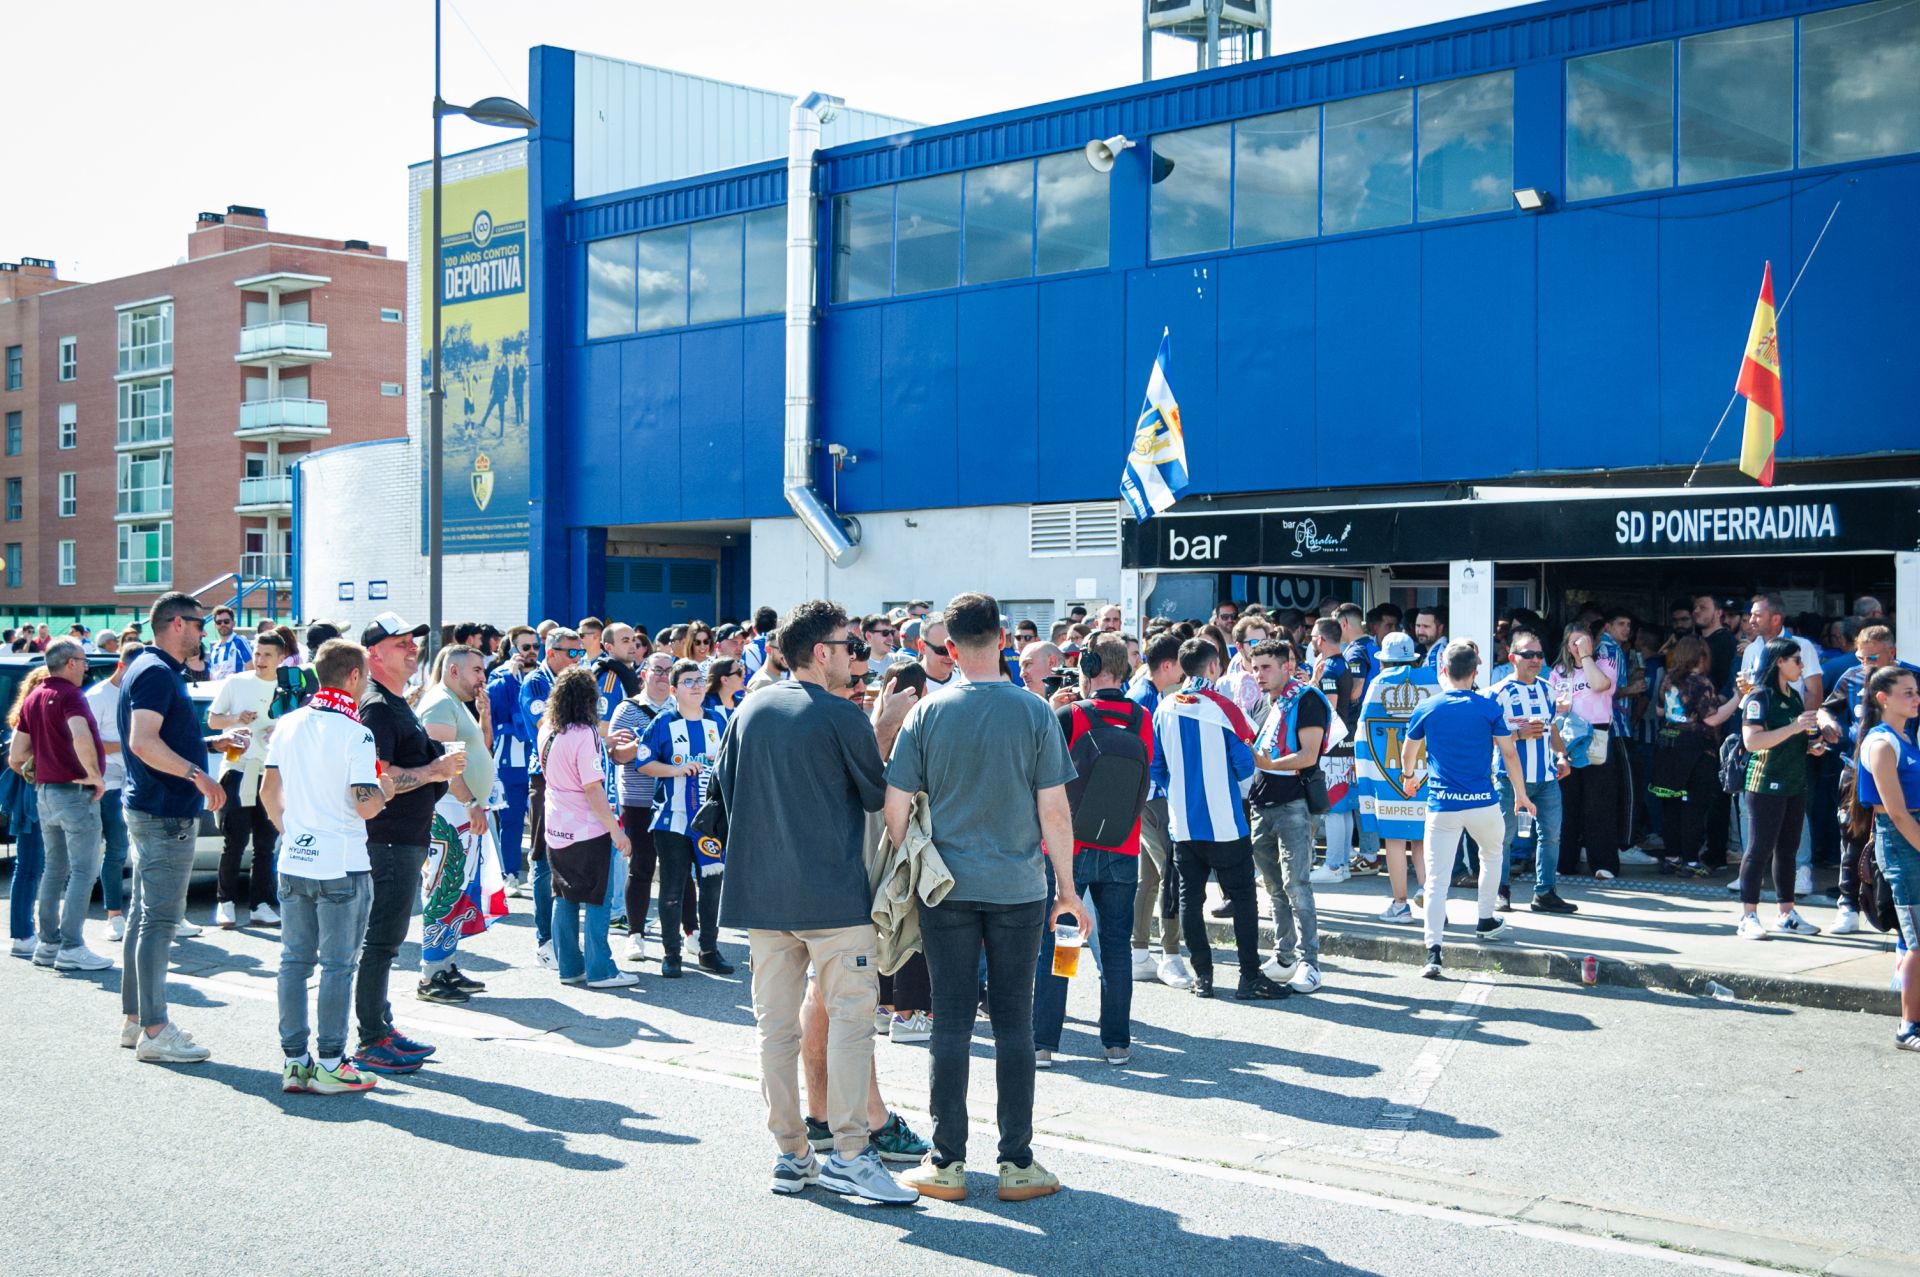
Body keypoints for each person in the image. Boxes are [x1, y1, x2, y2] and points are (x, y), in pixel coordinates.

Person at [709, 599, 918, 1203]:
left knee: (775, 1032)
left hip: (762, 897)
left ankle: (792, 1153)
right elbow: (878, 794)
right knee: (852, 1026)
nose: (858, 656)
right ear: (822, 653)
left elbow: (724, 790)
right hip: (832, 896)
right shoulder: (840, 713)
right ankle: (850, 1153)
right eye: (851, 646)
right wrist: (885, 727)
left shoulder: (749, 708)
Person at [886, 592, 1086, 1204]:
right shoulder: (1035, 712)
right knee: (1013, 1022)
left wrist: (917, 862)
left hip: (945, 886)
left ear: (949, 648)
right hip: (1019, 888)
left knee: (949, 1021)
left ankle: (946, 1161)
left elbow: (895, 809)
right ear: (1003, 639)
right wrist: (1068, 891)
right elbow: (1055, 812)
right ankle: (1016, 1162)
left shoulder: (927, 712)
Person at [260, 639, 393, 1095]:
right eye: (366, 676)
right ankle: (332, 1062)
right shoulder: (356, 732)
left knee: (293, 962)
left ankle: (295, 1061)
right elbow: (366, 805)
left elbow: (267, 793)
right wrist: (386, 790)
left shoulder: (288, 723)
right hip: (342, 862)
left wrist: (291, 831)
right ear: (353, 676)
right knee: (337, 966)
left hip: (295, 858)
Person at [353, 612, 466, 1075]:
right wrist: (433, 770)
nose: (412, 648)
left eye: (412, 641)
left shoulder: (397, 702)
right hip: (388, 841)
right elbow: (375, 777)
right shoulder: (378, 706)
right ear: (374, 654)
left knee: (387, 942)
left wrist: (437, 766)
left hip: (404, 839)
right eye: (400, 643)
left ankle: (381, 1027)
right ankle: (371, 1039)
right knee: (380, 943)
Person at [120, 593, 232, 1063]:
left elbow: (163, 738)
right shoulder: (155, 671)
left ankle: (136, 1021)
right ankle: (154, 1030)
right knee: (159, 921)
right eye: (200, 624)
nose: (205, 632)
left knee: (144, 917)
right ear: (177, 623)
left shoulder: (153, 669)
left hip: (154, 809)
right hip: (164, 813)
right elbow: (142, 742)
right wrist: (198, 774)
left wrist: (211, 743)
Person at [1034, 632, 1149, 1067]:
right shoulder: (1142, 717)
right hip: (1123, 844)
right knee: (1117, 946)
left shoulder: (1071, 714)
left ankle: (1044, 1042)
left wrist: (1052, 711)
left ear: (1089, 667)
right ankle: (1116, 1043)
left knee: (1061, 943)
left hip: (1070, 847)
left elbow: (1042, 770)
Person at [1153, 637, 1289, 1001]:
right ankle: (1249, 977)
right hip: (1225, 822)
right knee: (1243, 898)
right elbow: (1245, 766)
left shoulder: (1164, 707)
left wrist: (1181, 790)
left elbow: (1157, 767)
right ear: (1213, 666)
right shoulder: (1224, 707)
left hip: (1183, 823)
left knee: (1189, 899)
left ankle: (1203, 977)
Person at [1405, 642, 1535, 978]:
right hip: (1483, 802)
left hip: (1442, 805)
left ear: (1443, 671)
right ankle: (1485, 919)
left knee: (1436, 881)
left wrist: (1408, 778)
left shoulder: (1428, 706)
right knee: (1491, 856)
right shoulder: (1488, 707)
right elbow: (1509, 753)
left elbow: (1409, 751)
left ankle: (1433, 953)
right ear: (1475, 672)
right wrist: (1520, 794)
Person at [10, 637, 111, 972]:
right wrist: (94, 775)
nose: (86, 668)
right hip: (74, 793)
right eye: (83, 662)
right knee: (83, 870)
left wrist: (40, 767)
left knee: (53, 870)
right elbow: (80, 734)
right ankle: (71, 946)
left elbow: (16, 755)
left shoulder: (34, 696)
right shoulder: (70, 695)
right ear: (70, 663)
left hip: (45, 793)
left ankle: (48, 944)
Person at [538, 665, 639, 991]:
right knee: (597, 899)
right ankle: (600, 970)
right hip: (587, 829)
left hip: (556, 826)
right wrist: (616, 831)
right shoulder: (586, 734)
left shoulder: (548, 729)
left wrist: (604, 744)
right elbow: (593, 788)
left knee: (564, 896)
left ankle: (570, 967)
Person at [635, 658, 734, 977]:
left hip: (709, 822)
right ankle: (672, 954)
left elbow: (732, 764)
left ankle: (709, 950)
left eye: (699, 680)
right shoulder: (663, 722)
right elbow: (643, 763)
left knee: (712, 887)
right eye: (688, 682)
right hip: (672, 820)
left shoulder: (718, 721)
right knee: (672, 888)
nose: (695, 687)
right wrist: (676, 770)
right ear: (674, 690)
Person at [415, 644, 501, 1003]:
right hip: (450, 811)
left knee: (458, 888)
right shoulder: (439, 703)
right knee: (442, 889)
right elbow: (442, 764)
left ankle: (445, 965)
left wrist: (484, 717)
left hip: (463, 811)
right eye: (477, 670)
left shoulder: (456, 703)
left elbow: (479, 748)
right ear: (454, 671)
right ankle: (430, 975)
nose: (483, 677)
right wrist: (469, 802)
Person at [1245, 638, 1329, 993]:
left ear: (1286, 666)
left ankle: (1310, 961)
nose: (1258, 674)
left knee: (1297, 885)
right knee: (1274, 887)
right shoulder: (1261, 703)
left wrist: (1270, 764)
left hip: (1294, 803)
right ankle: (1284, 956)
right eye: (1254, 667)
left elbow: (1309, 755)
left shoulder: (1307, 699)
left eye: (1266, 667)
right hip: (1261, 803)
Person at [1733, 637, 1824, 940]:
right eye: (1796, 659)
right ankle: (1748, 916)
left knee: (1788, 850)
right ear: (1779, 662)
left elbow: (1790, 738)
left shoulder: (1794, 696)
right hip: (1765, 783)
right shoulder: (1760, 696)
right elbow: (1752, 741)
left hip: (1794, 781)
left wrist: (1811, 745)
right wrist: (1795, 727)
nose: (1802, 665)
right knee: (1759, 849)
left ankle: (1786, 913)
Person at [1853, 665, 1920, 1051]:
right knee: (1917, 940)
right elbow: (1895, 813)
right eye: (1907, 692)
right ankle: (1908, 1028)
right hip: (1900, 841)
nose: (1916, 698)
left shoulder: (1905, 737)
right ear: (1883, 699)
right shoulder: (1881, 743)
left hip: (1911, 834)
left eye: (1916, 691)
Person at [1491, 630, 1579, 913]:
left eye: (1539, 655)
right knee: (1503, 838)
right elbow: (1485, 737)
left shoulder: (1547, 689)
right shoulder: (1498, 692)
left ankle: (1545, 892)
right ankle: (1500, 891)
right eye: (1528, 654)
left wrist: (1562, 756)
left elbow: (1552, 729)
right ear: (1512, 657)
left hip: (1546, 778)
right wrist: (1519, 733)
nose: (1535, 660)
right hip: (1509, 778)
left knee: (1551, 836)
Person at [206, 631, 287, 928]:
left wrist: (280, 729)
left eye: (267, 655)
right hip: (238, 768)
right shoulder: (236, 682)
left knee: (266, 844)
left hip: (272, 772)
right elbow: (212, 720)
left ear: (281, 658)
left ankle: (260, 905)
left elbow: (299, 723)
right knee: (235, 840)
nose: (260, 660)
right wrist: (236, 719)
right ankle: (225, 903)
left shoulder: (288, 687)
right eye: (257, 653)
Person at [1356, 632, 1439, 920]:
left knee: (1394, 840)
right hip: (1425, 774)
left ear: (1383, 661)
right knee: (1423, 840)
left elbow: (1363, 732)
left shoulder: (1379, 684)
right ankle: (1431, 899)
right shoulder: (1432, 681)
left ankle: (1400, 904)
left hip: (1387, 776)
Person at [1128, 630, 1194, 988]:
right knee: (1172, 871)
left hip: (1144, 798)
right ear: (1168, 665)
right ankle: (1170, 955)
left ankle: (1139, 953)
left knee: (1150, 877)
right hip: (1152, 798)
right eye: (1181, 665)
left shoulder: (1145, 692)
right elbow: (1151, 755)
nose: (1184, 673)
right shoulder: (1147, 698)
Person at [520, 627, 585, 967]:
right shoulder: (535, 682)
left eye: (580, 652)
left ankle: (564, 939)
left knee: (568, 858)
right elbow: (545, 727)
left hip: (575, 777)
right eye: (571, 653)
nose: (578, 659)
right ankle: (545, 940)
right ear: (551, 653)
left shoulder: (576, 680)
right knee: (544, 858)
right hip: (545, 777)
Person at [1648, 636, 1740, 876]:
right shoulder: (1701, 683)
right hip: (1695, 749)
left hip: (1667, 746)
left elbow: (1659, 710)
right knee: (1694, 806)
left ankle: (1672, 857)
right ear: (1702, 657)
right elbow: (1712, 718)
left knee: (1671, 805)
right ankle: (1690, 861)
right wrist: (1738, 699)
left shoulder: (1669, 679)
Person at [609, 652, 676, 961]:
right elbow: (616, 755)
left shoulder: (681, 707)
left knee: (678, 869)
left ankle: (687, 933)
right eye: (657, 670)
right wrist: (646, 742)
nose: (663, 675)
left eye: (669, 670)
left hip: (676, 799)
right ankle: (635, 934)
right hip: (638, 800)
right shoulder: (627, 708)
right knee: (641, 867)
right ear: (644, 674)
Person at [1549, 625, 1619, 879]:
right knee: (1567, 802)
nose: (1578, 647)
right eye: (1574, 643)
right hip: (1567, 736)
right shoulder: (1558, 672)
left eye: (1583, 641)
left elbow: (1601, 685)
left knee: (1598, 802)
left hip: (1596, 735)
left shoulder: (1606, 663)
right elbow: (1552, 705)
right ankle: (1564, 862)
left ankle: (1603, 863)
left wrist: (1587, 657)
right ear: (1566, 646)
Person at [85, 641, 143, 941]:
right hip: (109, 780)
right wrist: (131, 745)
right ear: (121, 666)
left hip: (138, 776)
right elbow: (87, 743)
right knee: (118, 847)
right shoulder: (97, 697)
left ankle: (159, 914)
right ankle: (114, 915)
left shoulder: (139, 693)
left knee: (146, 849)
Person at [1307, 617, 1360, 884]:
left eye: (1312, 637)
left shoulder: (1329, 668)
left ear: (1321, 640)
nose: (1310, 642)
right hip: (1345, 741)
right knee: (1344, 807)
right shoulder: (1343, 663)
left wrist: (1313, 683)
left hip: (1333, 743)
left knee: (1334, 808)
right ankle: (1343, 864)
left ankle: (1335, 865)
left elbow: (1328, 707)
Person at [487, 630, 538, 892]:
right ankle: (509, 874)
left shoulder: (542, 677)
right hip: (510, 762)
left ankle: (540, 873)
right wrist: (512, 676)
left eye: (536, 646)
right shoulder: (500, 676)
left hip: (539, 759)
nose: (532, 652)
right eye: (526, 647)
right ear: (512, 649)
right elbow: (495, 716)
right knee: (511, 821)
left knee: (543, 821)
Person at [206, 606, 253, 679]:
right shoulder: (214, 649)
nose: (222, 624)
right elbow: (211, 675)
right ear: (215, 625)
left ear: (233, 623)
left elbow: (251, 668)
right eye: (219, 622)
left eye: (226, 621)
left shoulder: (239, 642)